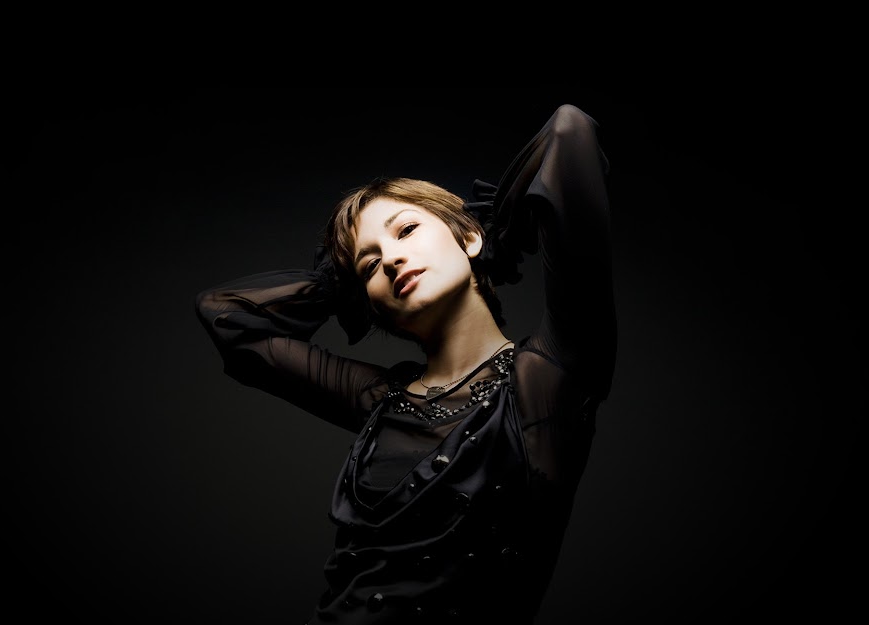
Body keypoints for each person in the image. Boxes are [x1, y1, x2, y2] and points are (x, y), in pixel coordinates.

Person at [194, 103, 617, 624]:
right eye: (370, 263)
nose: (391, 258)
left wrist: (498, 227)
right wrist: (340, 285)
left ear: (468, 237)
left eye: (407, 230)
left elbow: (570, 130)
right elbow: (225, 316)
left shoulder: (550, 377)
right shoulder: (378, 398)